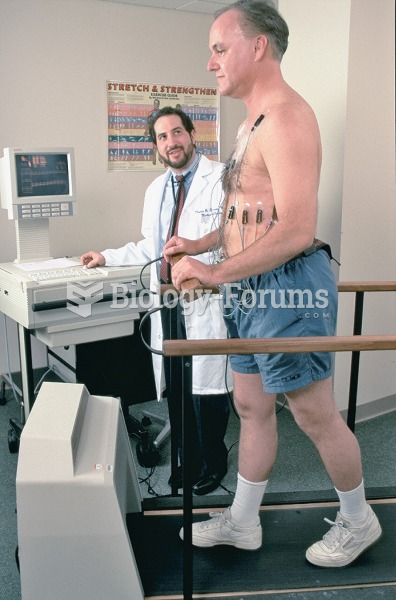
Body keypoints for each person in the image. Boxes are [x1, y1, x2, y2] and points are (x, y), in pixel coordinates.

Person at [164, 0, 381, 567]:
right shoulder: (250, 121)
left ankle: (360, 521)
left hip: (287, 287)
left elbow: (295, 228)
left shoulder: (286, 116)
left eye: (219, 47)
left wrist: (210, 274)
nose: (211, 62)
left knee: (313, 412)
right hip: (249, 289)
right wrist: (200, 245)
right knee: (250, 405)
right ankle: (242, 523)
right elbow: (246, 215)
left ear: (257, 46)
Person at [81, 106, 231, 496]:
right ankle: (185, 462)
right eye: (162, 137)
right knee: (179, 389)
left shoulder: (220, 179)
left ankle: (213, 463)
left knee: (208, 390)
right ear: (156, 147)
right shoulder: (156, 190)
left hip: (205, 299)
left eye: (177, 133)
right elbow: (150, 246)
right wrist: (107, 256)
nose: (171, 142)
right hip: (167, 303)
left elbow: (233, 237)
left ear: (193, 135)